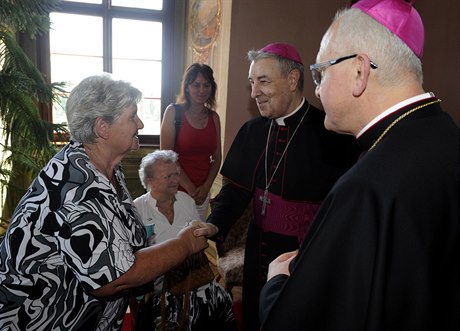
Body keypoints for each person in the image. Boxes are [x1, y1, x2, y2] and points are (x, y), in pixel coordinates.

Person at [259, 1, 460, 330]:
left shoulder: (366, 189)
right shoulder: (446, 137)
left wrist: (276, 284)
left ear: (359, 72)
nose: (318, 88)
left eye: (320, 72)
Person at [0, 74, 213, 331]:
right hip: (40, 320)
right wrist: (184, 243)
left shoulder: (107, 168)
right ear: (103, 128)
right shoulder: (76, 187)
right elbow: (114, 278)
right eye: (132, 116)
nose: (141, 123)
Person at [206, 42, 360, 330]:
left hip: (306, 254)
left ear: (292, 80)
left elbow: (347, 206)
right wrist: (214, 224)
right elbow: (236, 189)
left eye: (263, 81)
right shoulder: (253, 131)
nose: (254, 92)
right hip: (258, 247)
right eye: (251, 83)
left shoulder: (331, 132)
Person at [133, 150, 236, 331]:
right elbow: (135, 256)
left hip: (192, 273)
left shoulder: (186, 200)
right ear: (150, 180)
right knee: (178, 312)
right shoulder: (137, 209)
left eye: (177, 174)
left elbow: (201, 243)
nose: (175, 180)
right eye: (168, 176)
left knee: (221, 299)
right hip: (159, 279)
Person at [160, 63, 222, 221]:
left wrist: (206, 186)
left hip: (202, 192)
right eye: (196, 85)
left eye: (206, 85)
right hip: (175, 189)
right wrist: (190, 189)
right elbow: (167, 158)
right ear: (187, 87)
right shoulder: (173, 112)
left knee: (196, 240)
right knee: (175, 241)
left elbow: (217, 157)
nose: (202, 90)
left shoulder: (214, 117)